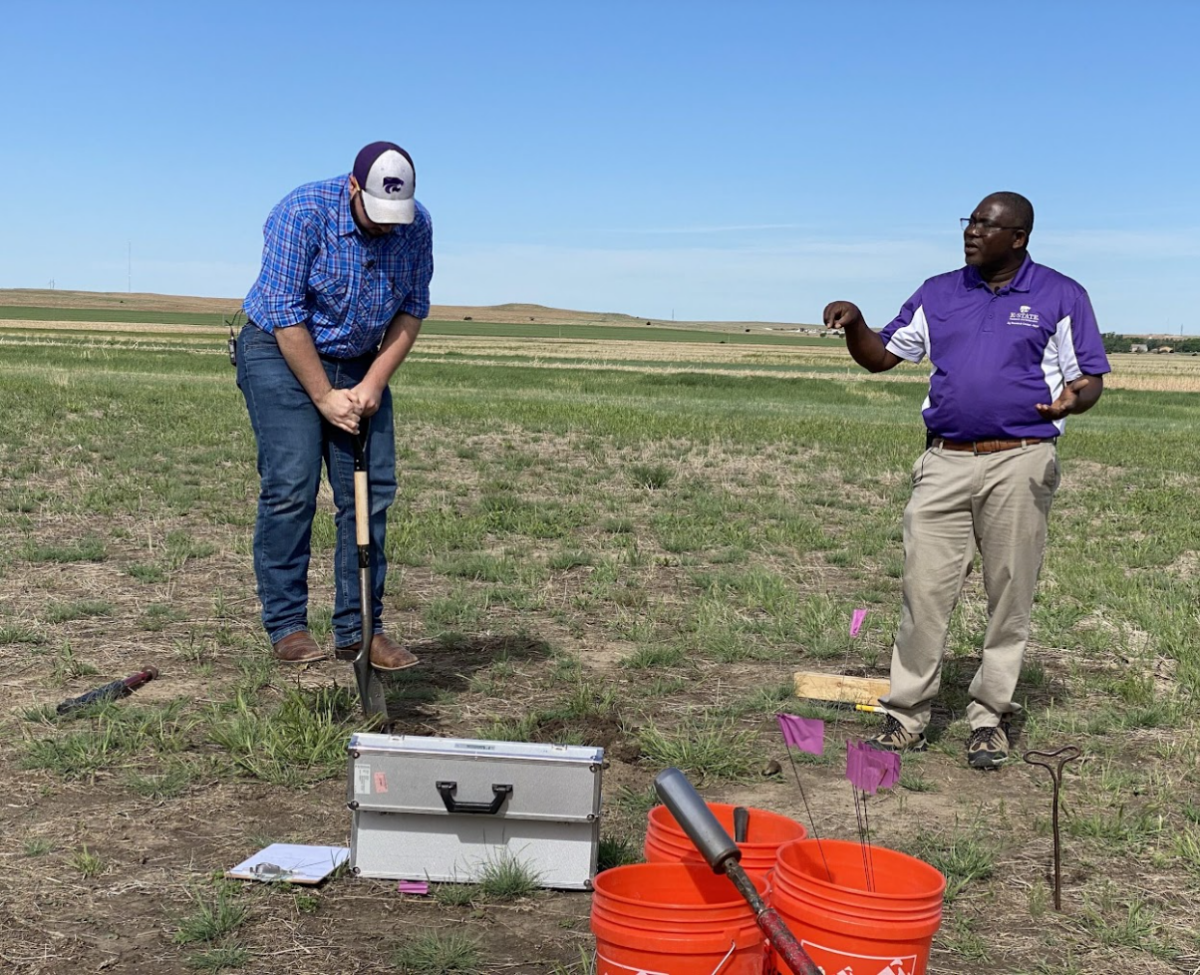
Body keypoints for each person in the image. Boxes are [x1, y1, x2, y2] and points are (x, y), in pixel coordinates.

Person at [823, 191, 1110, 770]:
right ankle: (905, 715)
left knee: (1010, 591)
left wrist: (1072, 404)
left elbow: (1090, 379)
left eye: (987, 225)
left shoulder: (1060, 294)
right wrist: (855, 321)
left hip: (1021, 459)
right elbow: (881, 357)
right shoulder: (939, 292)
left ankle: (989, 718)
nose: (972, 232)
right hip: (945, 461)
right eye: (970, 222)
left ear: (1019, 237)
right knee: (924, 589)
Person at [237, 141, 433, 670]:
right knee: (292, 486)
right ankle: (287, 626)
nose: (389, 227)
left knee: (369, 495)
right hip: (280, 349)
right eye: (378, 214)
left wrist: (371, 384)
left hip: (360, 356)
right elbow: (283, 312)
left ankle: (360, 630)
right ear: (353, 187)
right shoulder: (301, 213)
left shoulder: (416, 226)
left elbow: (412, 310)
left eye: (398, 216)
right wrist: (323, 396)